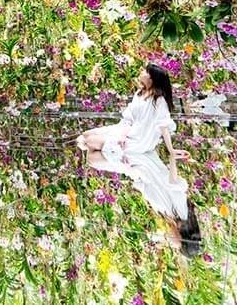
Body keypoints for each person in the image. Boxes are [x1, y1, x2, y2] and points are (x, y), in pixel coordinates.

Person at [76, 63, 191, 221]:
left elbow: (163, 126)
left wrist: (171, 150)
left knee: (90, 151)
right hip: (128, 131)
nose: (141, 72)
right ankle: (102, 147)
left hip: (138, 141)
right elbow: (128, 119)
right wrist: (123, 134)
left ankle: (103, 149)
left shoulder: (159, 101)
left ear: (152, 79)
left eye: (145, 71)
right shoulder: (140, 93)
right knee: (85, 137)